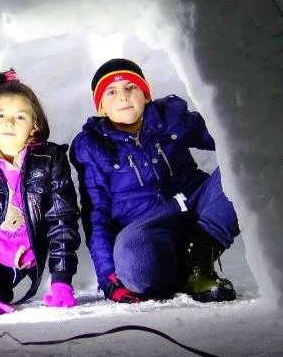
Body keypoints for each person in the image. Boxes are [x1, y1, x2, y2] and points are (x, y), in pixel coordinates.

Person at [69, 58, 240, 304]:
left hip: (195, 206)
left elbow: (227, 135)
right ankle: (179, 272)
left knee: (239, 168)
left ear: (146, 95)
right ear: (101, 107)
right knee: (135, 266)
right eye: (111, 92)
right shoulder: (93, 146)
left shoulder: (169, 117)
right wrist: (108, 279)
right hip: (146, 228)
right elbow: (97, 215)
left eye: (131, 88)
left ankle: (199, 260)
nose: (123, 97)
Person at [0, 69, 81, 315]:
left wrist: (62, 280)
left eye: (20, 117)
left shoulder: (50, 161)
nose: (8, 123)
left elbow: (63, 222)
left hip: (22, 261)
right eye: (0, 115)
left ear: (34, 126)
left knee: (4, 290)